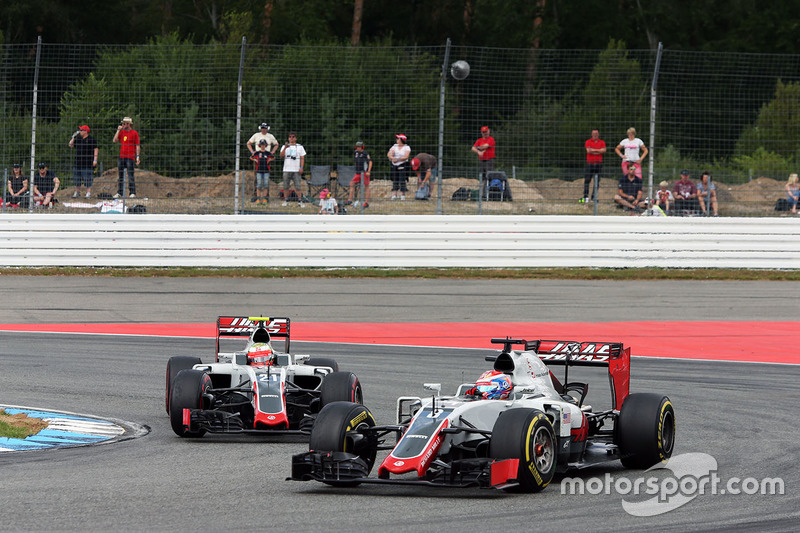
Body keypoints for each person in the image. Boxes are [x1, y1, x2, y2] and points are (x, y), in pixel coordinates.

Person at [247, 123, 278, 202]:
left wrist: (272, 152)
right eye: (262, 128)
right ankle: (256, 196)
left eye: (265, 128)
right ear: (260, 128)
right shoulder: (256, 135)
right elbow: (248, 143)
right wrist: (252, 152)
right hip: (257, 157)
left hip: (267, 157)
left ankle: (266, 197)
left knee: (266, 179)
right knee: (257, 178)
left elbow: (276, 144)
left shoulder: (270, 136)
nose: (264, 129)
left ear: (267, 128)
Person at [112, 116, 139, 198]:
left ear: (128, 124)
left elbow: (137, 145)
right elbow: (114, 140)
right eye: (122, 123)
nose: (122, 125)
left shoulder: (134, 133)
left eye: (124, 123)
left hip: (130, 157)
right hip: (122, 156)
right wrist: (118, 130)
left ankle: (132, 192)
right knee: (120, 176)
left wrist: (137, 156)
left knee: (130, 175)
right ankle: (120, 192)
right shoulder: (122, 132)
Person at [68, 125, 98, 199]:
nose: (80, 131)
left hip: (87, 162)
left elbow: (96, 149)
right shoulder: (78, 139)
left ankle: (88, 193)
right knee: (76, 178)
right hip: (78, 162)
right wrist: (73, 137)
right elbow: (70, 145)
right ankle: (77, 192)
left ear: (86, 131)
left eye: (81, 130)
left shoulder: (91, 139)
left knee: (88, 178)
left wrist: (95, 159)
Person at [279, 132, 306, 207]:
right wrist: (285, 148)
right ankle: (286, 200)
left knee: (298, 186)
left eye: (293, 137)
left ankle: (300, 201)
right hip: (286, 169)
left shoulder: (300, 147)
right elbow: (281, 156)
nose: (291, 138)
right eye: (290, 136)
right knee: (285, 186)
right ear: (288, 138)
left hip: (296, 170)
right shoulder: (285, 146)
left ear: (296, 138)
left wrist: (301, 167)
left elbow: (302, 158)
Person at [581, 128, 606, 203]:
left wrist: (593, 150)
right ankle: (585, 197)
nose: (595, 135)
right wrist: (599, 151)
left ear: (598, 134)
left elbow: (604, 150)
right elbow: (588, 151)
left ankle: (593, 197)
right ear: (591, 134)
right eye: (593, 133)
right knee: (587, 180)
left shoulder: (602, 142)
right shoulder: (588, 141)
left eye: (596, 133)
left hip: (598, 164)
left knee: (597, 181)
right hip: (590, 163)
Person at [249, 140, 274, 204]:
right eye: (262, 145)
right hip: (259, 171)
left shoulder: (268, 153)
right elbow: (251, 157)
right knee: (259, 185)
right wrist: (255, 160)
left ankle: (265, 199)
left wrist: (269, 160)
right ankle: (258, 198)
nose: (263, 146)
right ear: (260, 145)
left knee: (266, 185)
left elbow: (273, 157)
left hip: (266, 171)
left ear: (266, 145)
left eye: (264, 145)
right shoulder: (257, 153)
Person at [349, 141, 372, 208]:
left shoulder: (365, 153)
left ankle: (366, 202)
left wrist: (368, 171)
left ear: (362, 147)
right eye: (357, 146)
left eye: (359, 147)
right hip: (358, 172)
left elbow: (370, 162)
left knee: (366, 186)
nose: (358, 148)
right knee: (352, 183)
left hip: (364, 172)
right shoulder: (355, 153)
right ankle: (350, 199)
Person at [472, 126, 496, 190]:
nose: (485, 133)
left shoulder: (491, 139)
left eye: (486, 132)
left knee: (489, 176)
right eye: (484, 132)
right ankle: (482, 194)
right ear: (481, 133)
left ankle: (489, 192)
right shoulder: (479, 140)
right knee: (482, 178)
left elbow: (485, 146)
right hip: (482, 161)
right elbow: (473, 148)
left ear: (489, 131)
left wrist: (478, 147)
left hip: (489, 161)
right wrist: (478, 151)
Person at [387, 133, 410, 200]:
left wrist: (397, 159)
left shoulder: (406, 147)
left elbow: (406, 156)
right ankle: (395, 194)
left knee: (402, 179)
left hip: (403, 164)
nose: (396, 140)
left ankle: (403, 194)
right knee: (395, 179)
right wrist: (392, 158)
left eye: (398, 138)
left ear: (402, 140)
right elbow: (389, 154)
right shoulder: (394, 146)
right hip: (394, 164)